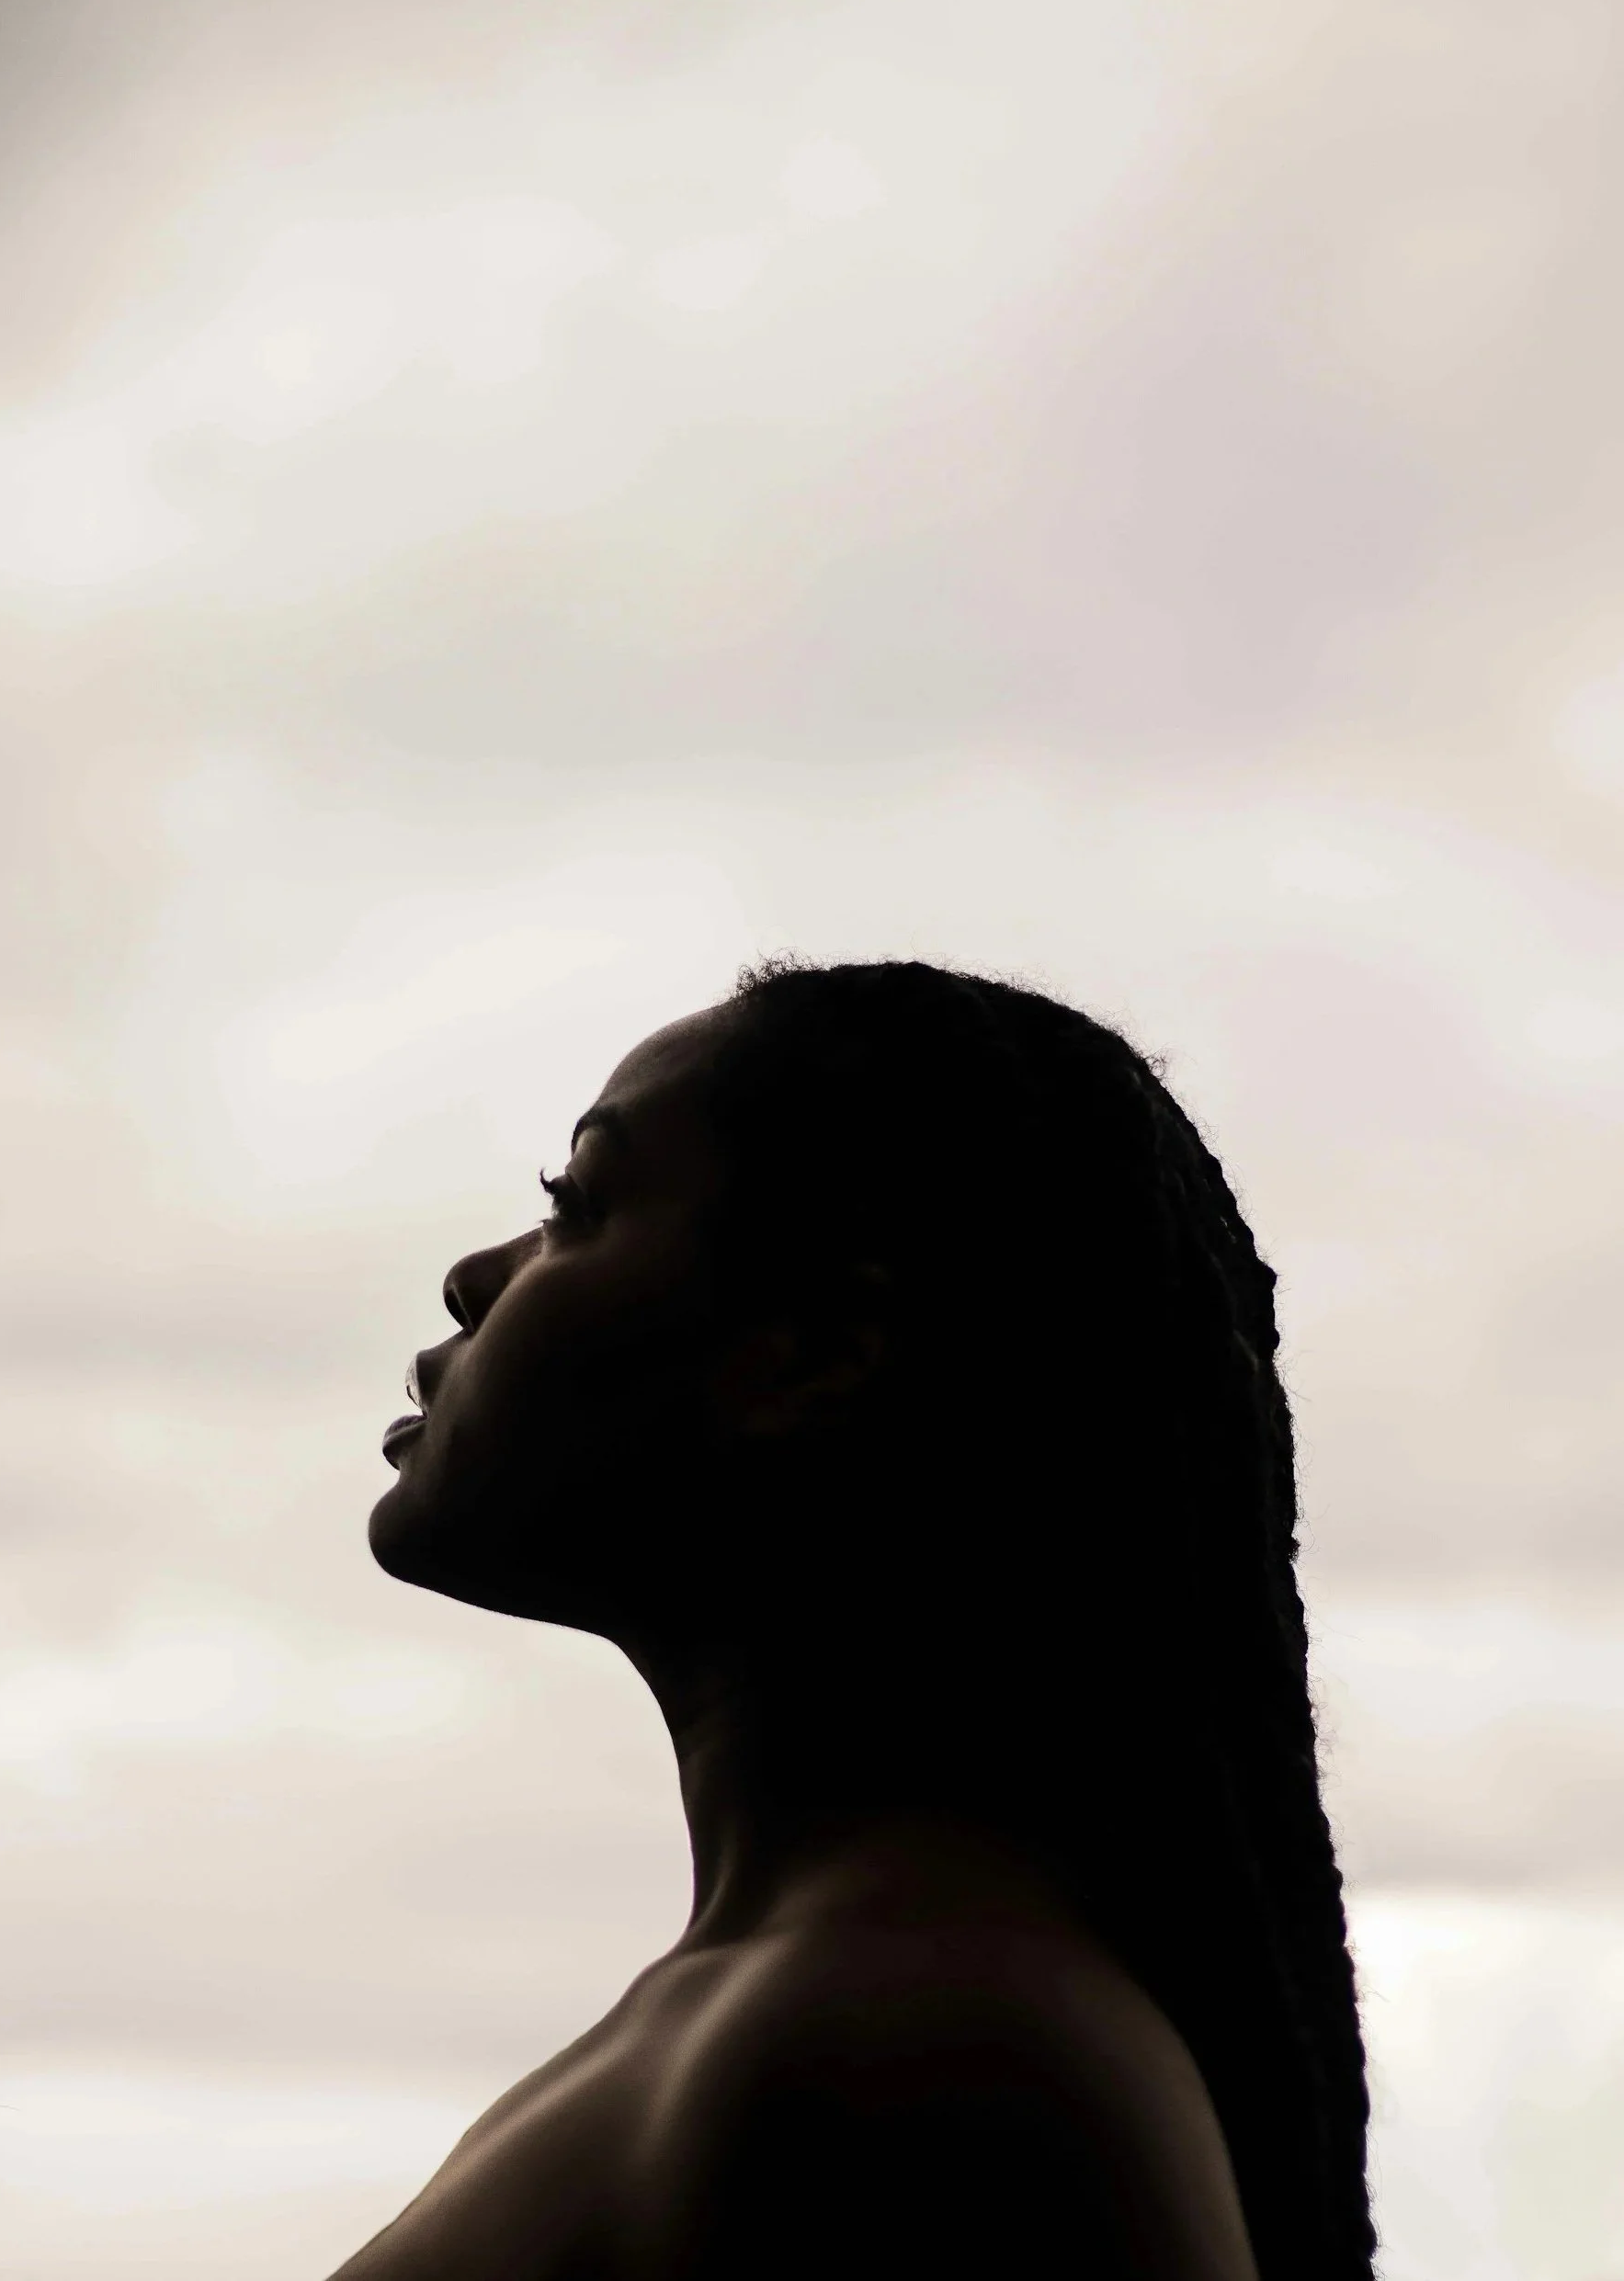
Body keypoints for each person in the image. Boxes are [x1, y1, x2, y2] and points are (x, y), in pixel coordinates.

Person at [332, 958, 1377, 2281]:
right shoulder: (829, 2013)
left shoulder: (914, 2049)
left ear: (817, 1354)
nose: (476, 1275)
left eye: (576, 1205)